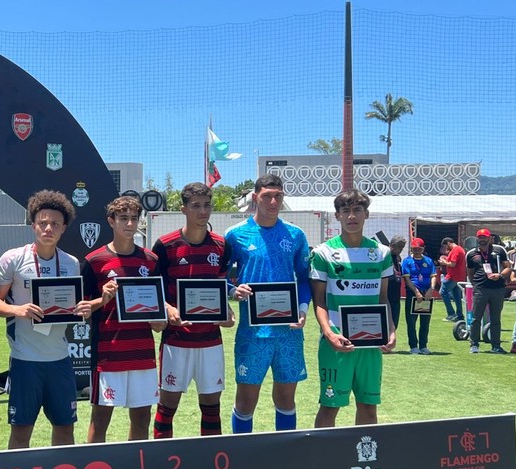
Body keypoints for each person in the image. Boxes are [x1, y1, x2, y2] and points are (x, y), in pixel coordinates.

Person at [0, 190, 93, 449]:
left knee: (64, 428)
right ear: (33, 224)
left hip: (59, 360)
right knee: (22, 430)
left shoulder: (71, 263)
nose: (48, 228)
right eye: (43, 222)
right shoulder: (13, 258)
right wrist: (18, 310)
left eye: (55, 224)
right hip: (25, 361)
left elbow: (71, 305)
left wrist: (81, 309)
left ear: (63, 228)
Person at [224, 174, 311, 433]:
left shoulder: (295, 235)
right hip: (253, 332)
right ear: (255, 198)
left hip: (288, 331)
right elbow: (220, 277)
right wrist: (232, 291)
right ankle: (242, 455)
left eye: (278, 196)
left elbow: (305, 280)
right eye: (267, 196)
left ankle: (283, 457)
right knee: (246, 401)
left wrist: (303, 311)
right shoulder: (236, 235)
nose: (273, 202)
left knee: (286, 399)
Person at [151, 182, 234, 438]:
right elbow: (156, 290)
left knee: (211, 407)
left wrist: (227, 311)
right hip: (176, 341)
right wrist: (167, 308)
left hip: (210, 341)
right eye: (196, 206)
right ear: (183, 209)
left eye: (207, 205)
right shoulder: (165, 245)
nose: (203, 212)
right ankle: (162, 459)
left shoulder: (221, 246)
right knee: (167, 406)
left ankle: (212, 460)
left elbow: (220, 286)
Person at [82, 195, 164, 443]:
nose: (129, 224)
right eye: (123, 218)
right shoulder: (94, 261)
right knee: (100, 420)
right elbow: (82, 309)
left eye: (133, 219)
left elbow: (158, 307)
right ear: (111, 221)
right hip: (109, 353)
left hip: (142, 351)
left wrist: (160, 320)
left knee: (141, 419)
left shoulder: (150, 260)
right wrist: (102, 300)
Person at [310, 189, 395, 428]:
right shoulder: (323, 252)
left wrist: (390, 329)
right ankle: (324, 460)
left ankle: (364, 458)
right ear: (337, 216)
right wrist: (329, 333)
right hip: (337, 341)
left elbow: (383, 299)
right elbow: (320, 301)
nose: (351, 216)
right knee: (330, 406)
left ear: (366, 214)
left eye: (357, 210)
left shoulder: (381, 253)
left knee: (368, 406)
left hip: (370, 343)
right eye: (345, 211)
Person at [466, 228, 511, 354]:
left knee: (496, 318)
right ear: (477, 238)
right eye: (480, 237)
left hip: (497, 289)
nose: (482, 239)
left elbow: (508, 267)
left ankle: (496, 345)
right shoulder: (471, 254)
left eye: (484, 237)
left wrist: (500, 276)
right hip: (480, 289)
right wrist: (475, 285)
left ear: (489, 238)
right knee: (476, 318)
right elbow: (470, 272)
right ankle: (474, 344)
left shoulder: (499, 250)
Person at [401, 238, 438, 355]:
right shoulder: (407, 261)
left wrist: (431, 289)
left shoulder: (428, 260)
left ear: (423, 249)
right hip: (413, 294)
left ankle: (423, 345)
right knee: (411, 321)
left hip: (426, 293)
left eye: (419, 249)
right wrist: (416, 292)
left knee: (425, 321)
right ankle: (413, 345)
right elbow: (407, 279)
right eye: (415, 249)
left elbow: (433, 276)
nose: (417, 251)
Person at [438, 237, 467, 322]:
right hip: (458, 276)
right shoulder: (460, 249)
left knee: (442, 292)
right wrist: (447, 259)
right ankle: (460, 315)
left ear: (448, 243)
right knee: (457, 296)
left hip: (452, 276)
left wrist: (444, 262)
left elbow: (453, 264)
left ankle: (451, 314)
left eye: (446, 246)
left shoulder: (455, 250)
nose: (446, 248)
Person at [386, 235, 406, 331]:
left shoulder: (397, 258)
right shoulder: (385, 256)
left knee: (394, 325)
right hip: (385, 297)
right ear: (393, 245)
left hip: (395, 297)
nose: (401, 250)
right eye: (400, 247)